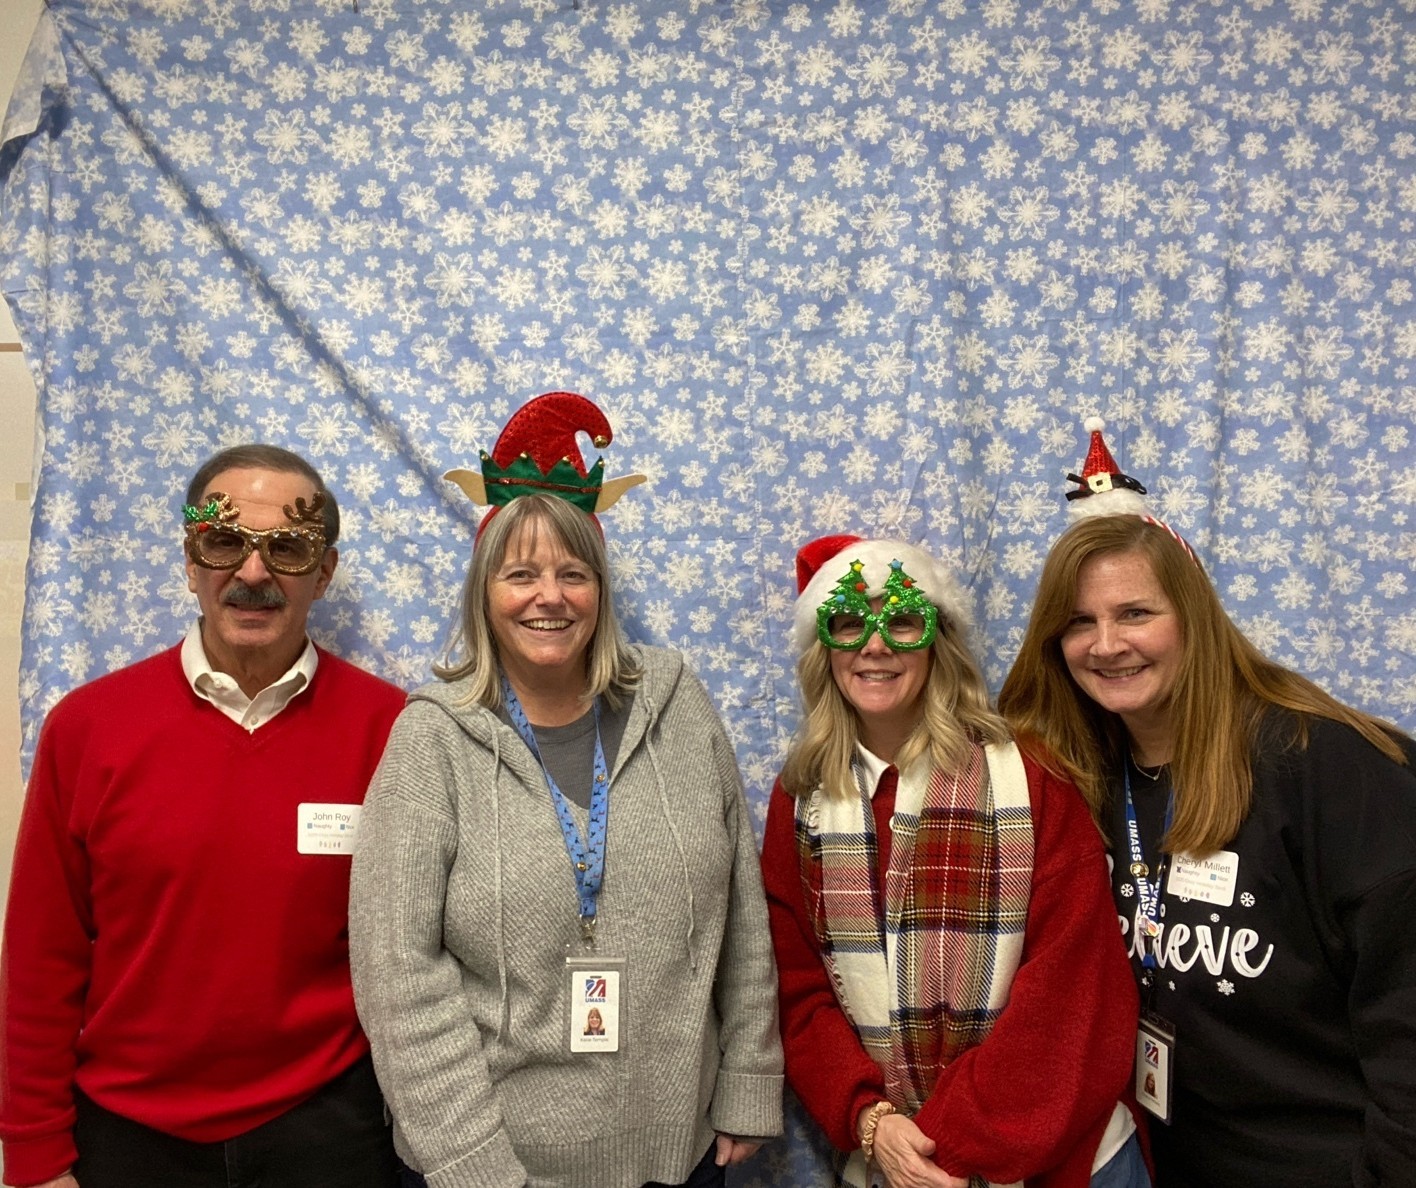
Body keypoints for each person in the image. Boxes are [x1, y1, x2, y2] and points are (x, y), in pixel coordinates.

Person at [348, 392, 783, 1188]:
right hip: (494, 1165)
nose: (549, 596)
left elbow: (742, 909)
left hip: (677, 1154)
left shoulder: (677, 701)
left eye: (572, 573)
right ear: (485, 591)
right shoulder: (432, 740)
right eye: (521, 574)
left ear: (601, 589)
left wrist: (751, 1081)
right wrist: (470, 1164)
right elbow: (398, 976)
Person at [998, 421, 1416, 1185]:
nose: (1106, 644)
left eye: (1135, 613)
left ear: (1194, 618)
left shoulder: (1322, 763)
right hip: (1174, 1159)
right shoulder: (1084, 776)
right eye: (1079, 623)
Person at [0, 444, 408, 1188]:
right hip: (127, 1136)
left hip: (325, 1134)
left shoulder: (391, 731)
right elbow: (41, 956)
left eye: (287, 549)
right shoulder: (89, 728)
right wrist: (33, 1155)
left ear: (324, 574)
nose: (252, 575)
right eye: (224, 542)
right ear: (191, 561)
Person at [761, 533, 1149, 1188]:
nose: (875, 646)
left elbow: (1074, 996)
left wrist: (943, 1145)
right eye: (850, 622)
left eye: (903, 621)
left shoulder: (1032, 781)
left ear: (937, 640)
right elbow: (796, 990)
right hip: (888, 1157)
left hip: (1058, 1163)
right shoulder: (800, 803)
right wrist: (872, 1122)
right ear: (823, 649)